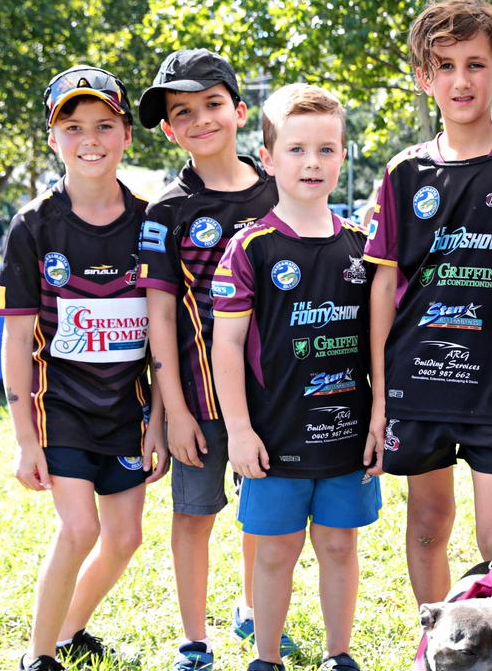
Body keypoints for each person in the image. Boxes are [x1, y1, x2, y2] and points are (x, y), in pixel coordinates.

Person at [363, 0, 492, 609]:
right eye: (444, 66)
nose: (461, 80)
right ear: (424, 79)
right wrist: (378, 390)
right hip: (417, 385)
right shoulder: (403, 173)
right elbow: (385, 288)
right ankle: (439, 644)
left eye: (475, 64)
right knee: (427, 525)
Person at [0, 65, 167, 671]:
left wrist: (160, 422)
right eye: (72, 126)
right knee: (80, 528)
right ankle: (38, 656)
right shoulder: (34, 225)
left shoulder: (153, 222)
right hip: (60, 409)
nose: (88, 138)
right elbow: (16, 339)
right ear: (52, 139)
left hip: (128, 411)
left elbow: (164, 336)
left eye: (103, 124)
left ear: (124, 134)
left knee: (125, 538)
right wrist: (23, 440)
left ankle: (69, 631)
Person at [212, 83, 379, 671]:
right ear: (268, 158)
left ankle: (339, 655)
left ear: (342, 156)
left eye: (327, 150)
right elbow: (226, 347)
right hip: (272, 441)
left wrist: (380, 417)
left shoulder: (364, 249)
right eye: (297, 149)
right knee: (276, 553)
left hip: (346, 438)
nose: (312, 163)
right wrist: (238, 429)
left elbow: (379, 344)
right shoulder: (248, 248)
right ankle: (265, 658)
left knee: (339, 545)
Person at [134, 49, 283, 670]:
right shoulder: (166, 211)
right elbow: (159, 319)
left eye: (213, 104)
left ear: (240, 110)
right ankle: (194, 641)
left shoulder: (280, 189)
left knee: (263, 515)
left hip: (275, 398)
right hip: (198, 402)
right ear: (170, 129)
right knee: (195, 517)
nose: (201, 120)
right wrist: (171, 414)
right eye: (183, 112)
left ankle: (254, 611)